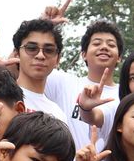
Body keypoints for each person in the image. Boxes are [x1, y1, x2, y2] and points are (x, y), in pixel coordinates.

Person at [44, 17, 125, 150]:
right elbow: (24, 67)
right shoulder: (64, 83)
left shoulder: (126, 94)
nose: (104, 47)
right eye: (97, 43)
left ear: (119, 57)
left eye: (111, 45)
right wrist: (45, 25)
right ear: (84, 54)